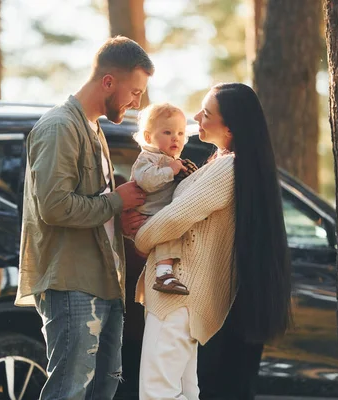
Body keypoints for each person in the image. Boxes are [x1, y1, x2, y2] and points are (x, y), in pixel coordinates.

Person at [130, 83, 292, 399]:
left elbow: (177, 217)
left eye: (206, 113)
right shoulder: (222, 162)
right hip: (185, 295)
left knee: (157, 390)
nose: (195, 117)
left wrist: (141, 239)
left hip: (178, 294)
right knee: (185, 390)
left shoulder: (230, 167)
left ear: (230, 127)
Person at [15, 36, 154, 400]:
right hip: (72, 283)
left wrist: (118, 221)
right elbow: (55, 206)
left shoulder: (94, 128)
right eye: (134, 92)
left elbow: (91, 204)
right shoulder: (60, 126)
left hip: (104, 282)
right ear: (108, 81)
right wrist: (114, 203)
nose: (137, 102)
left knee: (102, 389)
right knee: (69, 391)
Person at [130, 103, 197, 295]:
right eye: (167, 132)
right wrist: (170, 171)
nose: (176, 137)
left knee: (173, 230)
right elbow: (146, 182)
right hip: (147, 216)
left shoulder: (174, 161)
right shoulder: (148, 158)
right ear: (148, 137)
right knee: (169, 231)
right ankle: (164, 274)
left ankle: (169, 272)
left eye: (181, 133)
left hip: (159, 215)